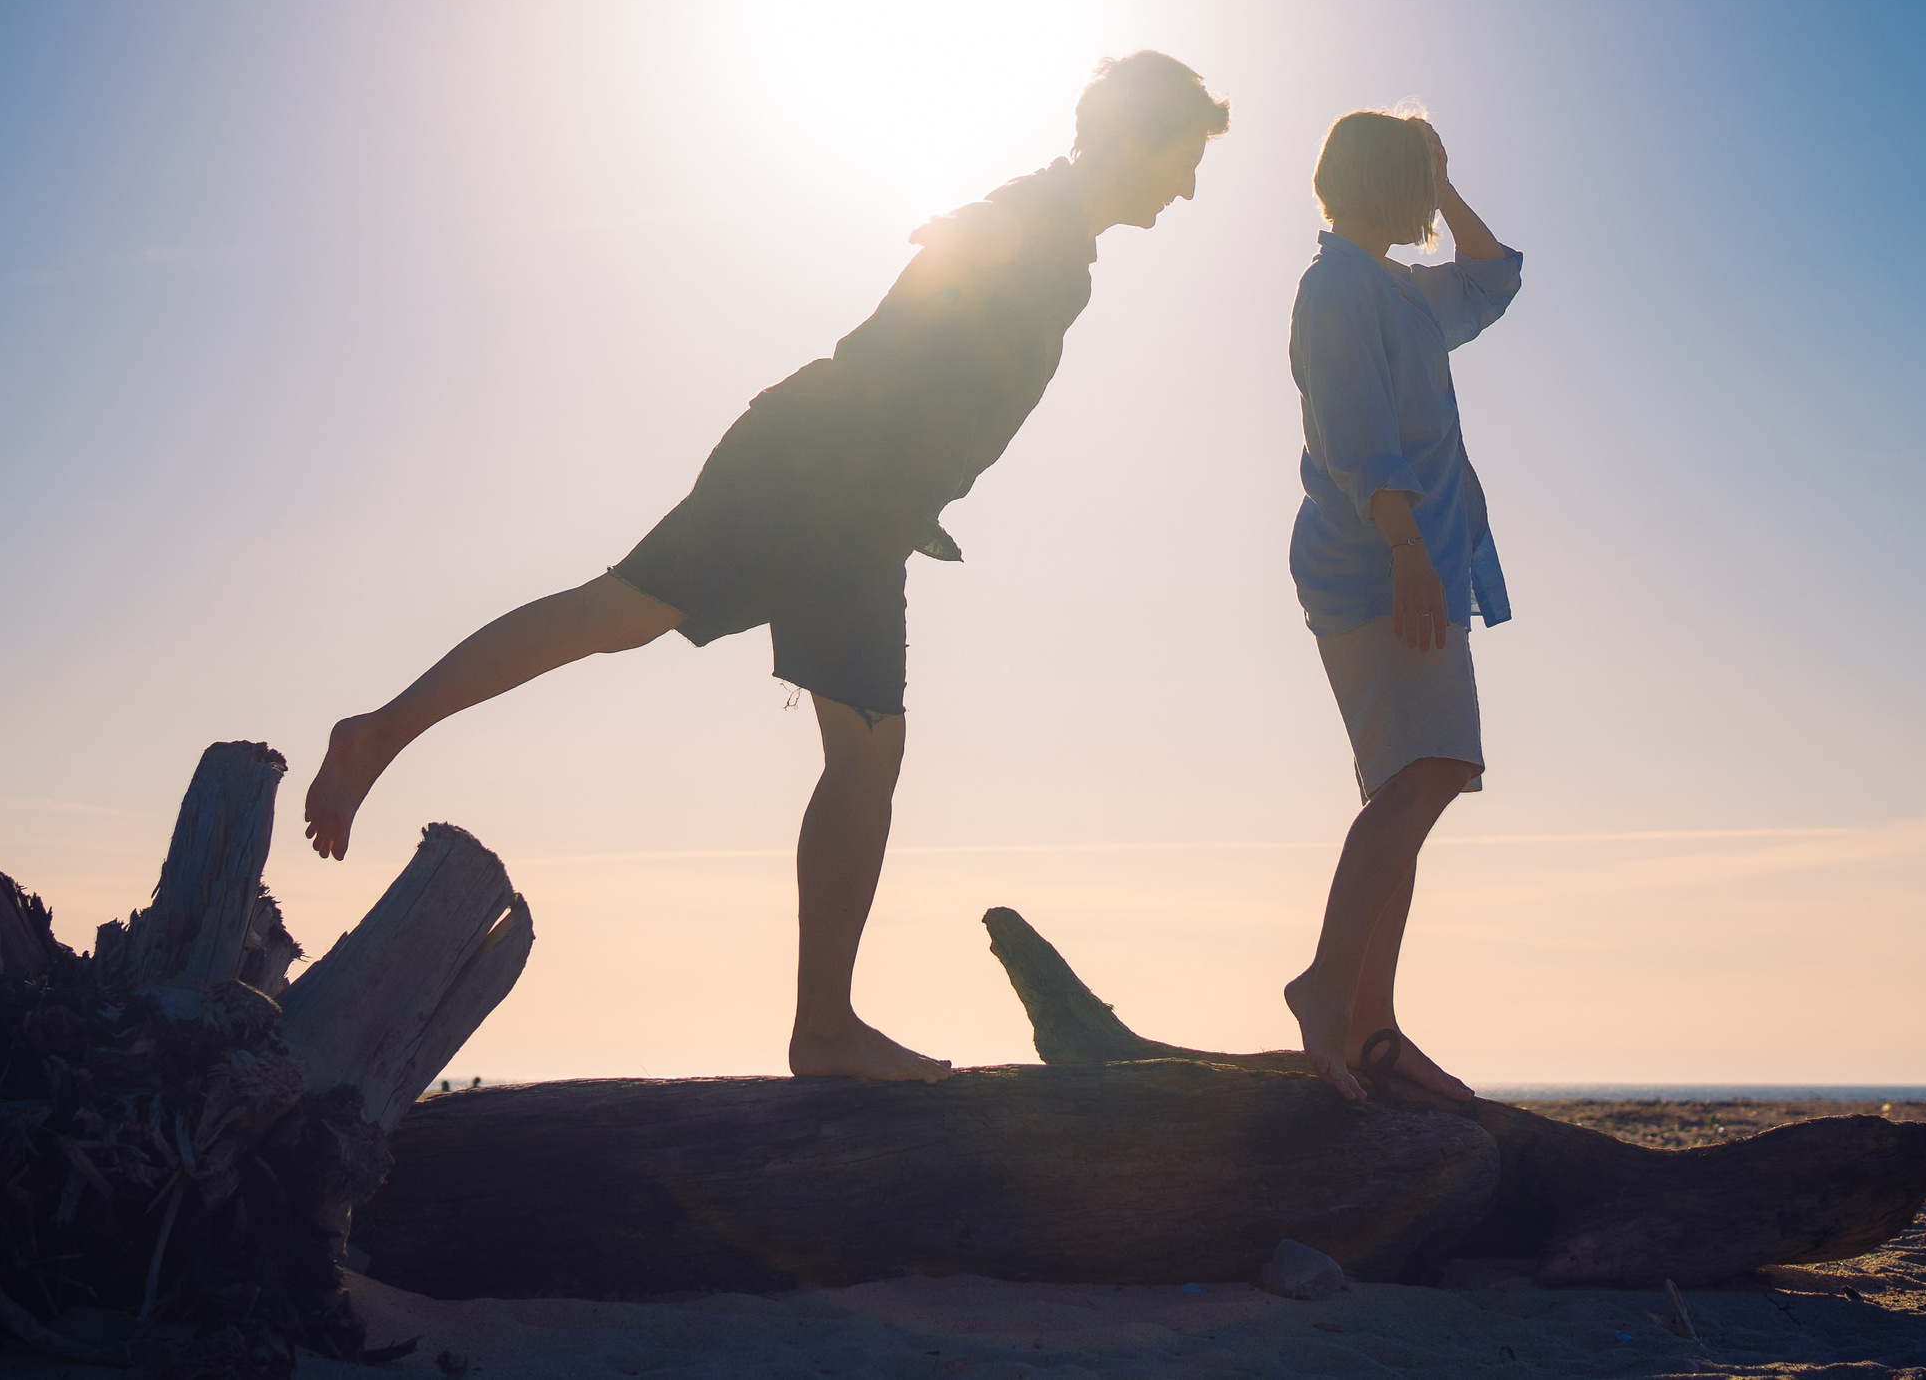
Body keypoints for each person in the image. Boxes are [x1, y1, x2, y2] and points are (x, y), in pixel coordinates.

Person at [300, 53, 1231, 1083]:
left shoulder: (1060, 238)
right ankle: (823, 1031)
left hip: (836, 484)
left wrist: (913, 490)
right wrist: (955, 261)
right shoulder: (1038, 221)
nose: (1184, 187)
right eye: (1181, 160)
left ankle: (381, 731)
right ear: (1133, 140)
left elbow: (942, 364)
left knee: (625, 619)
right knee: (844, 743)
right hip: (826, 486)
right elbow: (935, 294)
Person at [1278, 108, 1522, 1102]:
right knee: (1431, 770)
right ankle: (1328, 989)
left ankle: (1374, 1029)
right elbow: (1356, 435)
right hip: (1381, 567)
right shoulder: (1335, 289)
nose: (1429, 200)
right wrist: (1410, 553)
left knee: (1408, 791)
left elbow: (1494, 276)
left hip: (1411, 561)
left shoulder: (1397, 291)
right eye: (1417, 180)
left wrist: (1446, 178)